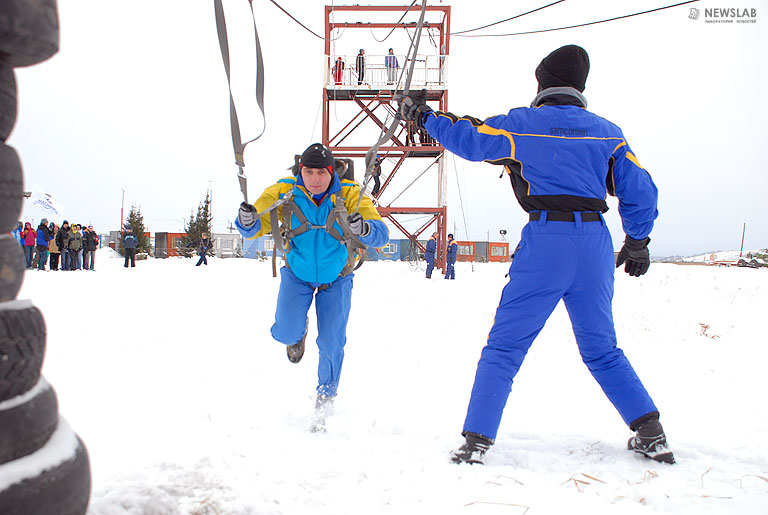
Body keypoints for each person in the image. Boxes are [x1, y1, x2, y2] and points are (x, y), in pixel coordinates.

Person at [398, 44, 672, 465]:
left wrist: (422, 116)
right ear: (581, 86)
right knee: (601, 348)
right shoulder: (607, 133)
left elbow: (470, 139)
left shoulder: (522, 125)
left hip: (547, 240)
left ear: (542, 82)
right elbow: (641, 192)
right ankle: (650, 432)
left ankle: (476, 441)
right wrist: (637, 240)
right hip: (595, 244)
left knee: (505, 346)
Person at [236, 143, 389, 427]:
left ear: (332, 172)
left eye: (321, 172)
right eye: (309, 172)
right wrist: (246, 221)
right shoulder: (284, 192)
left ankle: (325, 397)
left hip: (337, 277)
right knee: (284, 331)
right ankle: (296, 334)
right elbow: (255, 222)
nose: (315, 179)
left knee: (332, 342)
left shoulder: (350, 195)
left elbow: (381, 234)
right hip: (298, 274)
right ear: (300, 172)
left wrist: (364, 230)